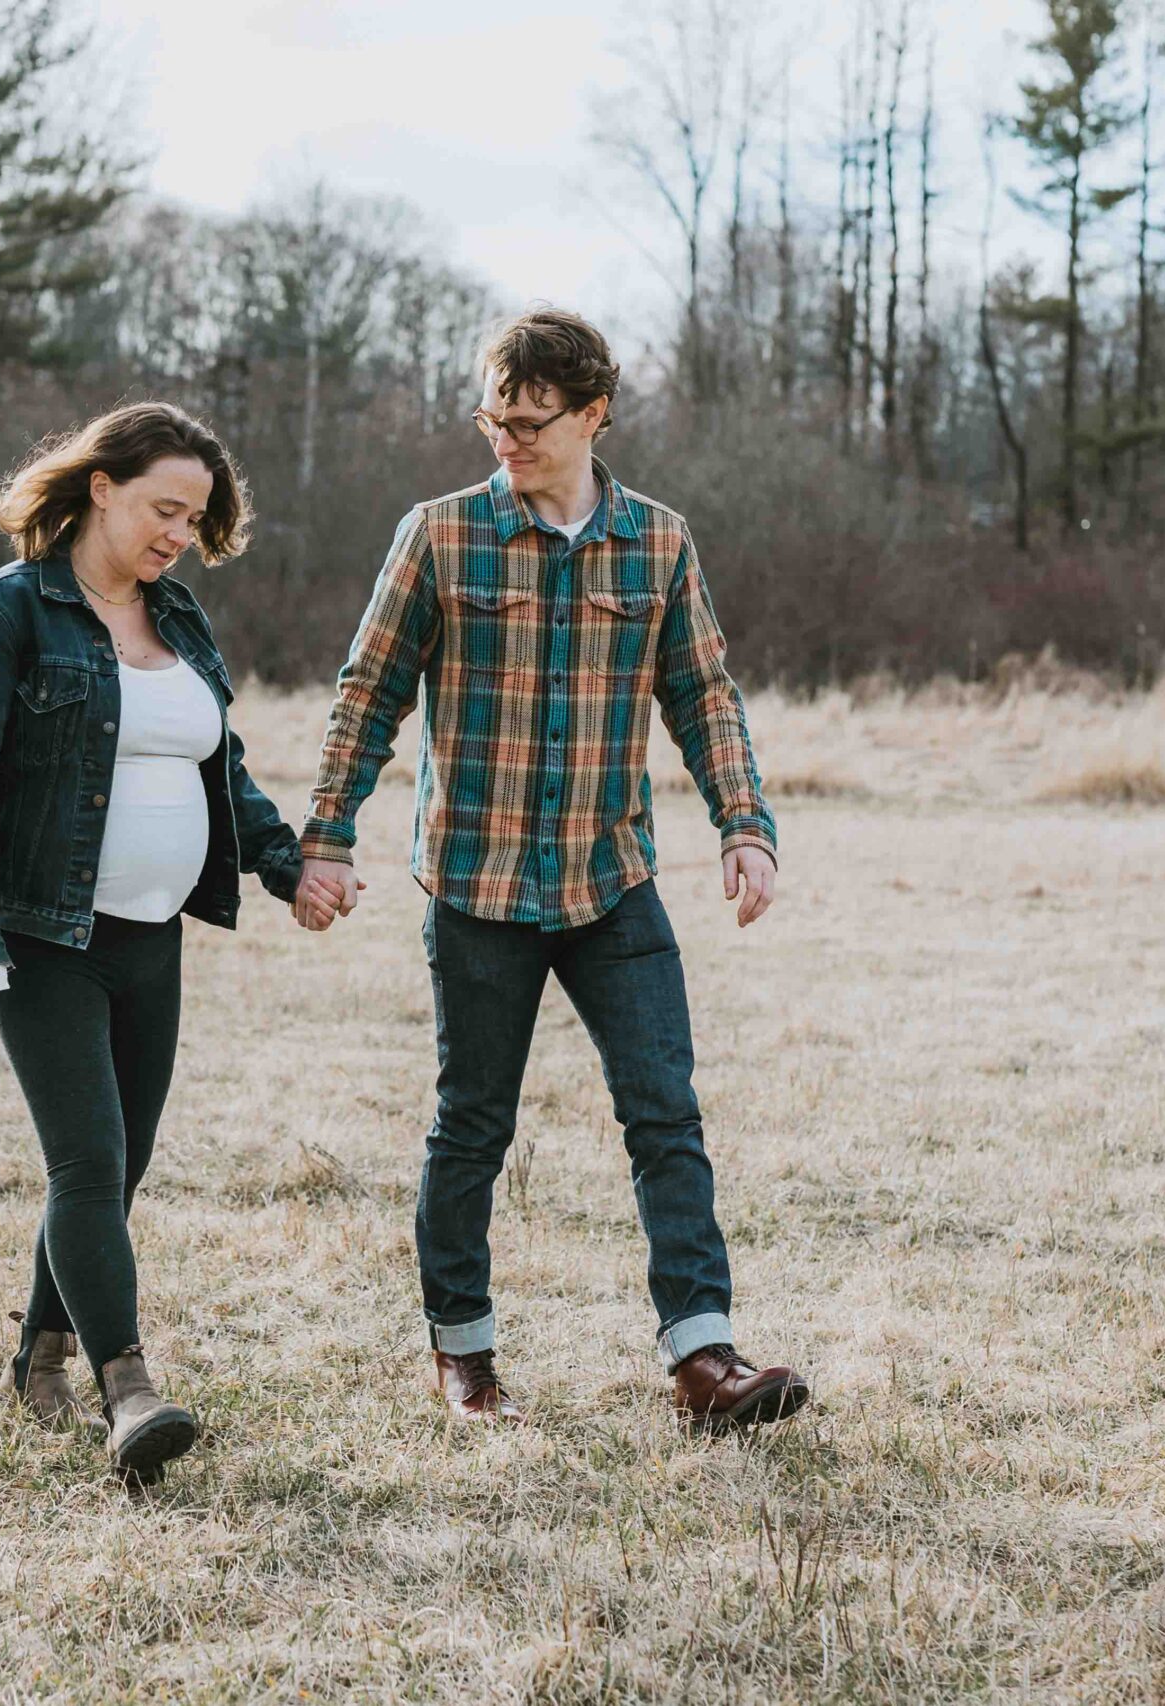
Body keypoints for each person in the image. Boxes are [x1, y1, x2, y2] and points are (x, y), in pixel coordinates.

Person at [293, 308, 809, 1436]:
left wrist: (744, 821)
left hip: (609, 879)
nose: (506, 440)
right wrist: (324, 837)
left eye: (529, 422)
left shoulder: (658, 543)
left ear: (593, 415)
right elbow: (366, 692)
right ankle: (465, 1359)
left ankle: (702, 1358)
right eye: (492, 418)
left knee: (664, 1111)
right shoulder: (438, 535)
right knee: (472, 1122)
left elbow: (704, 692)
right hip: (476, 886)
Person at [0, 402, 304, 1482]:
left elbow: (219, 768)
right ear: (100, 486)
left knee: (119, 1164)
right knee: (86, 1157)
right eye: (163, 507)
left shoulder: (180, 622)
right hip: (42, 935)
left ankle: (39, 1348)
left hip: (152, 937)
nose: (179, 532)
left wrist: (288, 865)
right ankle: (126, 1386)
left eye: (195, 517)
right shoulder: (3, 614)